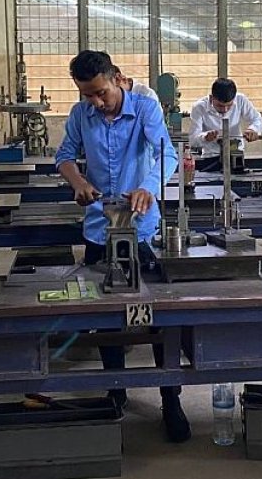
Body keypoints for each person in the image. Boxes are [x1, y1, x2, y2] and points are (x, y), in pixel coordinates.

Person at [54, 50, 190, 444]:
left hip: (143, 230)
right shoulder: (82, 115)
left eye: (100, 93)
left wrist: (148, 186)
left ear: (116, 77)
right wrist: (76, 181)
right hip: (99, 229)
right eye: (87, 96)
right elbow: (64, 156)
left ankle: (171, 397)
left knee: (160, 318)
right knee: (104, 315)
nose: (96, 102)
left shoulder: (146, 109)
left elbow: (167, 154)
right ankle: (115, 390)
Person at [188, 77, 262, 171]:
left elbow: (258, 119)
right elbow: (192, 139)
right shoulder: (199, 107)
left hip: (237, 159)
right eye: (220, 106)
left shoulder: (241, 100)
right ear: (212, 97)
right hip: (211, 159)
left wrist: (253, 129)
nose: (225, 110)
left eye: (229, 105)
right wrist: (205, 137)